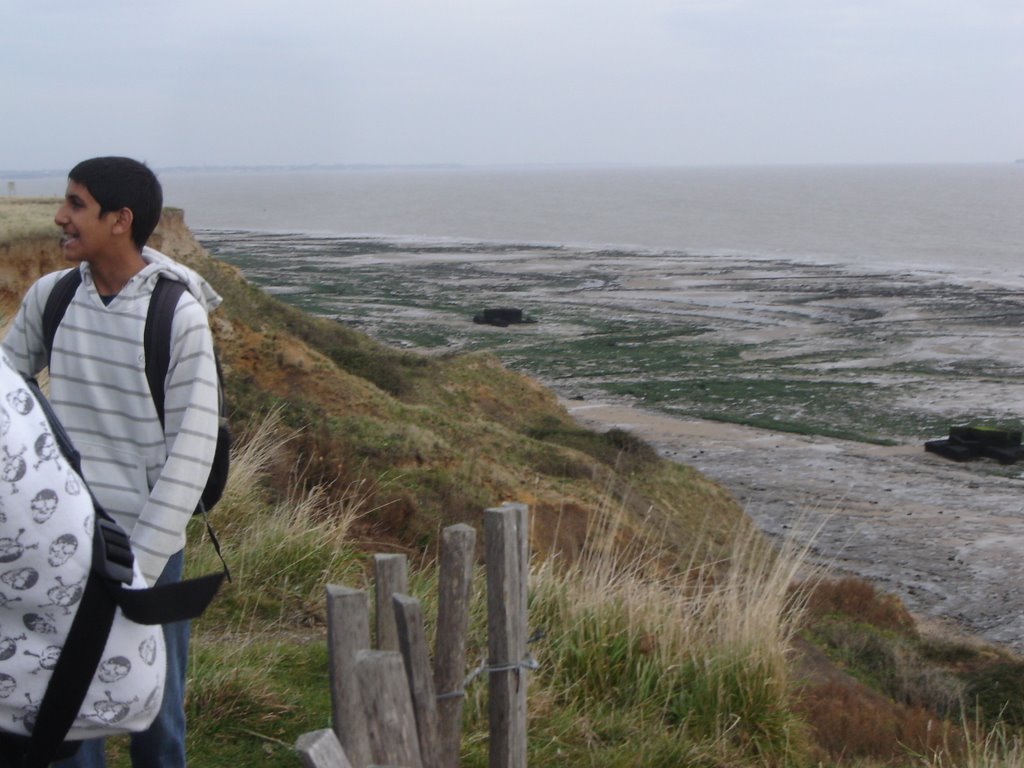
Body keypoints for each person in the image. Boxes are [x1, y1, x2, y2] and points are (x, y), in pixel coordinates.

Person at [2, 156, 222, 768]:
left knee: (157, 716)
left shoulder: (177, 315)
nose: (60, 216)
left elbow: (192, 450)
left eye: (76, 203)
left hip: (147, 546)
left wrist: (142, 571)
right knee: (71, 713)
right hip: (63, 539)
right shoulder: (53, 295)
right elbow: (8, 393)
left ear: (120, 220)